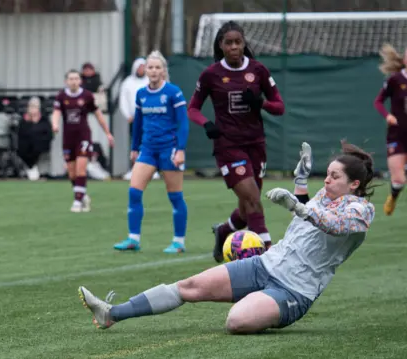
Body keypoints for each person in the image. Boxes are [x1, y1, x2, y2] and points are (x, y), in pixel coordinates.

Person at [79, 141, 376, 334]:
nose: (326, 180)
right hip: (265, 264)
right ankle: (111, 313)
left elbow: (333, 225)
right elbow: (310, 214)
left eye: (335, 176)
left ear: (355, 184)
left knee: (236, 321)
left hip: (294, 292)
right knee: (189, 287)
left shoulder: (361, 210)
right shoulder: (325, 195)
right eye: (327, 173)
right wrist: (300, 181)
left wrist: (296, 205)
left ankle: (261, 304)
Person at [187, 21, 285, 262]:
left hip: (256, 144)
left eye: (238, 42)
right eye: (228, 43)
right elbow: (193, 109)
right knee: (252, 197)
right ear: (221, 46)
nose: (234, 47)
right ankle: (267, 253)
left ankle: (224, 231)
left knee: (248, 205)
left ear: (243, 44)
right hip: (228, 146)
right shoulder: (211, 74)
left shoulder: (258, 70)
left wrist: (259, 102)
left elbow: (279, 107)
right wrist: (207, 124)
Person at [112, 51, 190, 254]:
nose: (153, 71)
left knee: (175, 197)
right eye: (150, 67)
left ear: (163, 71)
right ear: (145, 70)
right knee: (134, 192)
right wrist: (135, 148)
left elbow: (183, 123)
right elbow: (138, 123)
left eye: (157, 67)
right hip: (147, 150)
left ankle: (179, 241)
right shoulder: (141, 94)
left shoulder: (173, 92)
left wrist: (180, 150)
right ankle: (133, 239)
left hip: (169, 150)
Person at [51, 69, 115, 213]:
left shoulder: (87, 96)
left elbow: (98, 115)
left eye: (76, 78)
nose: (73, 81)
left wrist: (108, 133)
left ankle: (77, 201)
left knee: (81, 168)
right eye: (71, 79)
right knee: (72, 173)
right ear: (66, 81)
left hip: (83, 136)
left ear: (80, 81)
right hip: (68, 138)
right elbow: (56, 113)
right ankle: (82, 195)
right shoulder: (61, 96)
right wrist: (54, 124)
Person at [373, 43, 407, 216]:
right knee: (399, 180)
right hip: (397, 134)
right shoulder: (395, 80)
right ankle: (393, 197)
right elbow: (378, 101)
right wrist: (388, 116)